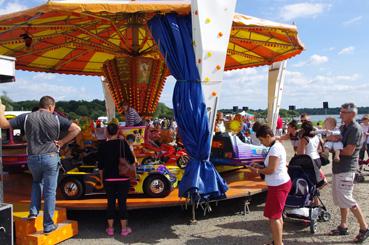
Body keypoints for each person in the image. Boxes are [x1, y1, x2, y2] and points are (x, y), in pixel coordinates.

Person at [0, 96, 81, 233]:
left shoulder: (26, 117)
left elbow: (3, 125)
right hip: (50, 157)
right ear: (51, 107)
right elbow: (76, 129)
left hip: (32, 158)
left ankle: (33, 211)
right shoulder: (55, 118)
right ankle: (48, 225)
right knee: (50, 192)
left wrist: (1, 110)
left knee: (37, 182)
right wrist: (61, 142)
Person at [328, 103, 369, 243]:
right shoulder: (343, 127)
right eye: (340, 111)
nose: (340, 114)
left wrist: (332, 148)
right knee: (341, 199)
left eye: (343, 112)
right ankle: (343, 225)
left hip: (346, 169)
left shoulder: (354, 129)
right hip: (339, 168)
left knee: (347, 198)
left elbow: (348, 151)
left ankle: (364, 228)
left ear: (352, 114)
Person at [248, 125, 291, 245]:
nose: (261, 143)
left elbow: (271, 169)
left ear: (268, 136)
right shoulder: (275, 146)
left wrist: (257, 171)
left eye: (261, 140)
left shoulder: (275, 148)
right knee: (277, 215)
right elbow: (272, 167)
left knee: (274, 217)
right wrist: (261, 166)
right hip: (278, 184)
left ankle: (278, 243)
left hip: (278, 185)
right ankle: (278, 242)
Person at [98, 123, 135, 237]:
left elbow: (100, 166)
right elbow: (132, 159)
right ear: (118, 131)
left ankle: (110, 229)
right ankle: (124, 229)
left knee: (110, 203)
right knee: (122, 203)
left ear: (107, 132)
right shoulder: (123, 143)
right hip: (123, 178)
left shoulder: (103, 145)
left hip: (108, 179)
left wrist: (101, 180)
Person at [296, 121, 327, 188]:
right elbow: (320, 149)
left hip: (309, 161)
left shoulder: (304, 139)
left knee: (309, 182)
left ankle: (313, 194)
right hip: (317, 159)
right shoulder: (317, 137)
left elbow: (301, 154)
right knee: (313, 181)